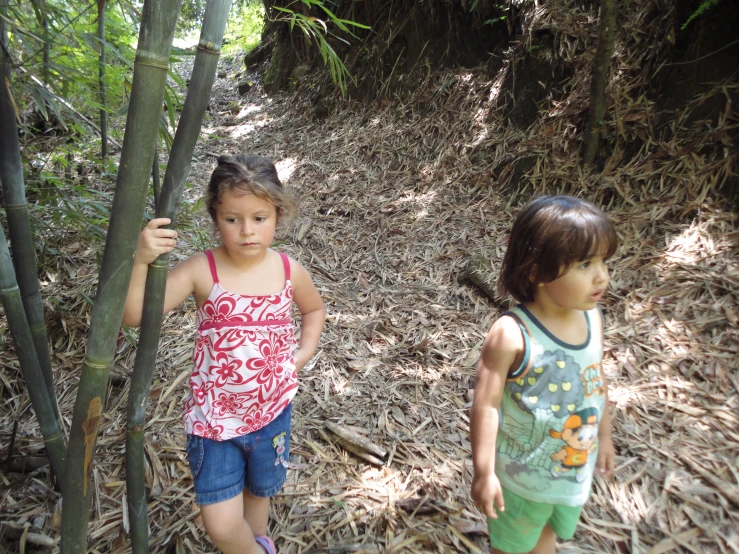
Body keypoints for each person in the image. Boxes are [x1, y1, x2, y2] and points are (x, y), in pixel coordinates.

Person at [123, 154, 325, 554]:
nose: (247, 231)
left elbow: (314, 309)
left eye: (259, 218)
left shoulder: (288, 270)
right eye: (232, 219)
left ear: (278, 214)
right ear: (215, 217)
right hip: (214, 422)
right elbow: (133, 315)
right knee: (220, 524)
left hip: (272, 412)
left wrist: (301, 354)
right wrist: (141, 259)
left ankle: (260, 542)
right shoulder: (203, 270)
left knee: (259, 494)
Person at [470, 195, 617, 554]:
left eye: (603, 261)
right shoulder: (512, 333)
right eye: (585, 264)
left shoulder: (592, 318)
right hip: (522, 481)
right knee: (512, 547)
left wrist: (605, 435)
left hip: (571, 473)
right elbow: (486, 405)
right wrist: (484, 472)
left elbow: (595, 381)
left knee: (547, 536)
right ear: (535, 270)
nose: (602, 276)